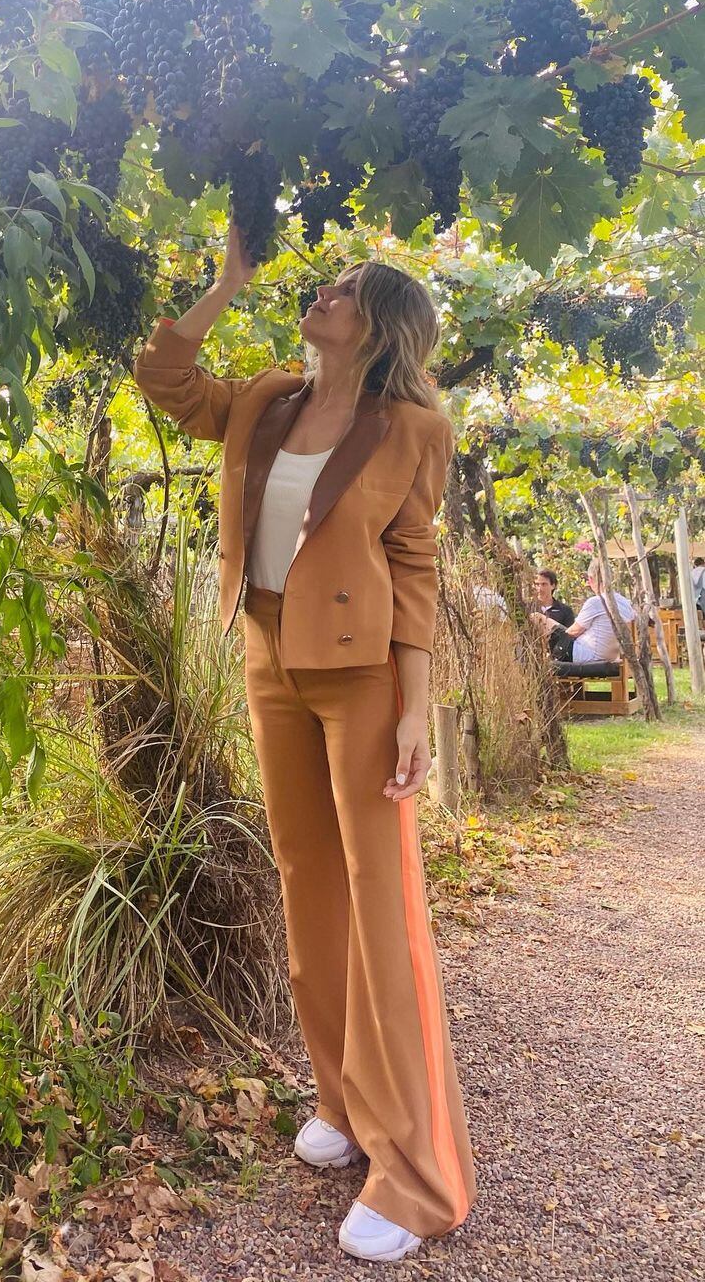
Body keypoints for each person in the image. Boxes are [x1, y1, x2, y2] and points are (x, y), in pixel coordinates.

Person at [133, 221, 476, 1262]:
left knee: (380, 908)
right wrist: (224, 284)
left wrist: (415, 707)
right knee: (304, 883)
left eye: (343, 287)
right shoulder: (269, 401)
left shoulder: (414, 427)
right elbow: (163, 373)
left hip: (365, 679)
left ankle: (412, 1170)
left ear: (378, 325)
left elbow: (414, 567)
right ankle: (342, 1096)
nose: (320, 292)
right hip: (270, 656)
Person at [529, 557, 635, 673]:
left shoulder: (596, 602)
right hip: (612, 656)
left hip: (585, 656)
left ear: (590, 579)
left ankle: (539, 664)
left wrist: (555, 650)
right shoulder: (626, 603)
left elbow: (573, 632)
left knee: (536, 617)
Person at [533, 568, 576, 659]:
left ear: (553, 585)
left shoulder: (565, 610)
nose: (539, 588)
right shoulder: (528, 608)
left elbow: (568, 637)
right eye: (537, 584)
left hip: (556, 660)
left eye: (544, 584)